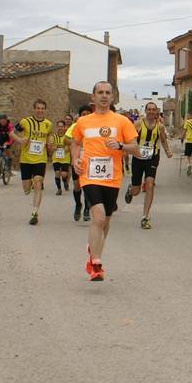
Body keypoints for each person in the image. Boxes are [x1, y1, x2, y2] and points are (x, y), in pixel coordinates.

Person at [66, 83, 137, 281]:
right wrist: (75, 160)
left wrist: (121, 145)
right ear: (93, 97)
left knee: (105, 220)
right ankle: (96, 263)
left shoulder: (122, 121)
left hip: (112, 178)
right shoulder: (83, 122)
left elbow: (136, 148)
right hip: (89, 175)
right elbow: (75, 143)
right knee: (97, 217)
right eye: (100, 93)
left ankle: (93, 248)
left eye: (108, 93)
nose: (104, 96)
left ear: (112, 97)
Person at [125, 101, 173, 230]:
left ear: (157, 112)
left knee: (149, 184)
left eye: (154, 109)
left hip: (152, 157)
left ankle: (145, 217)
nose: (151, 112)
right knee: (136, 191)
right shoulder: (138, 124)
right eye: (149, 109)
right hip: (138, 157)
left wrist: (168, 151)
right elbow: (130, 139)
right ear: (145, 111)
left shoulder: (160, 126)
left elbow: (162, 139)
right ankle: (131, 190)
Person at [14, 100, 52, 226]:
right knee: (26, 189)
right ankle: (28, 186)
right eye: (38, 108)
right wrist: (20, 140)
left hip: (40, 158)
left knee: (38, 182)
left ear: (45, 110)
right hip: (25, 159)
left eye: (42, 108)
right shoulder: (25, 122)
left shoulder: (48, 124)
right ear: (34, 109)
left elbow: (49, 136)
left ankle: (34, 213)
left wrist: (50, 143)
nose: (40, 110)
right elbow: (12, 131)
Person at [71, 103, 95, 222]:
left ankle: (86, 209)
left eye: (88, 114)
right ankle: (78, 205)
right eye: (83, 114)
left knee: (86, 186)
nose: (85, 116)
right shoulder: (76, 126)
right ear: (79, 116)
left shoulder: (94, 126)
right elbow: (67, 139)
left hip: (89, 161)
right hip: (77, 161)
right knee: (77, 186)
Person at [51, 114, 73, 195]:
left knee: (64, 174)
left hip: (65, 158)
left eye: (61, 126)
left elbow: (70, 145)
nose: (60, 128)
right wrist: (53, 148)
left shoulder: (67, 137)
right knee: (57, 173)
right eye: (58, 126)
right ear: (57, 127)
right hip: (56, 158)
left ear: (64, 127)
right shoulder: (53, 137)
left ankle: (65, 182)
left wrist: (67, 148)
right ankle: (59, 189)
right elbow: (50, 148)